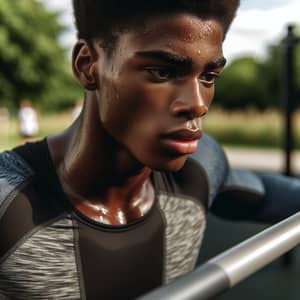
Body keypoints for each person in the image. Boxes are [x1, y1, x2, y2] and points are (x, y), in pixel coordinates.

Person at [1, 1, 300, 299]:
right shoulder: (8, 201)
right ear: (87, 65)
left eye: (208, 77)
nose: (197, 104)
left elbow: (265, 191)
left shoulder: (201, 166)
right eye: (161, 71)